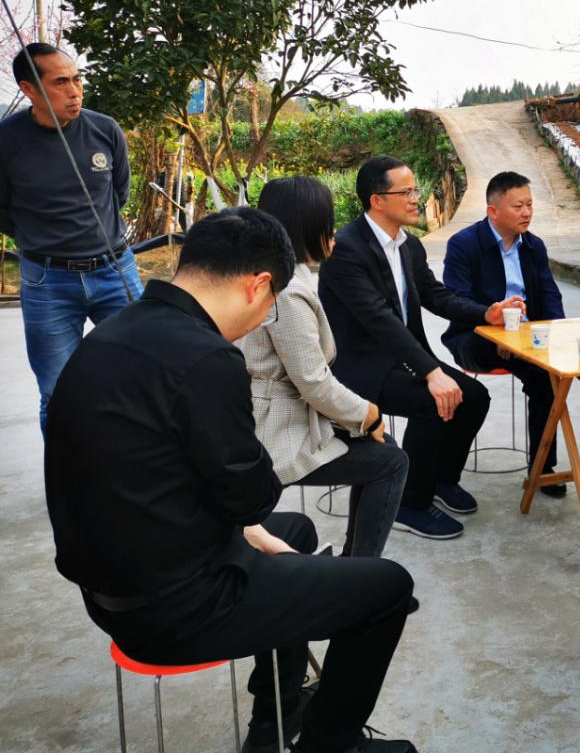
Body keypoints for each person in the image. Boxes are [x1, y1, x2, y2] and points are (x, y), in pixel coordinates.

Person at [44, 207, 418, 753]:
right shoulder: (208, 359)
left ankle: (274, 718)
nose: (265, 320)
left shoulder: (110, 334)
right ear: (258, 285)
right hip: (175, 609)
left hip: (111, 588)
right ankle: (331, 745)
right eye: (271, 307)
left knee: (294, 533)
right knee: (388, 587)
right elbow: (251, 496)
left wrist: (252, 528)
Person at [319, 157, 523, 540]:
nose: (417, 198)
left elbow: (436, 295)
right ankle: (409, 505)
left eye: (415, 190)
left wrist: (486, 312)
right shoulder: (345, 250)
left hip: (404, 359)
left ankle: (440, 480)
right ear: (377, 200)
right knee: (433, 402)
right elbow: (379, 318)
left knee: (474, 397)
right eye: (407, 191)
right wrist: (432, 372)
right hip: (361, 369)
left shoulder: (409, 246)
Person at [238, 176, 410, 558]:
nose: (333, 231)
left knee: (384, 450)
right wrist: (368, 413)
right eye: (327, 222)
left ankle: (355, 565)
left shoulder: (281, 275)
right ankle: (360, 575)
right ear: (305, 227)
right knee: (390, 461)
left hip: (289, 412)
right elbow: (313, 381)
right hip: (274, 429)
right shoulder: (288, 291)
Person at [0, 43, 143, 431]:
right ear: (30, 89)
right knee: (58, 391)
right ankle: (68, 470)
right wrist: (42, 238)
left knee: (143, 373)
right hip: (47, 282)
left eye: (77, 80)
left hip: (115, 270)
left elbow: (119, 193)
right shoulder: (7, 140)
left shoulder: (104, 129)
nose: (75, 91)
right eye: (61, 82)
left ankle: (128, 462)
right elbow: (3, 211)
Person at [441, 170, 580, 498]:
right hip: (475, 337)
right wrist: (497, 329)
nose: (527, 212)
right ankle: (572, 366)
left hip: (529, 339)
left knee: (546, 382)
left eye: (530, 205)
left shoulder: (533, 246)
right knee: (540, 367)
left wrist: (559, 330)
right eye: (518, 206)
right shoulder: (464, 245)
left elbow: (550, 296)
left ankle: (542, 468)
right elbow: (456, 302)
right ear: (493, 211)